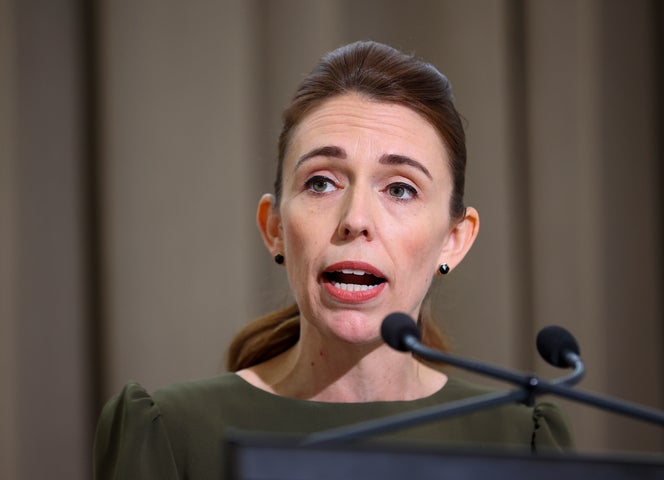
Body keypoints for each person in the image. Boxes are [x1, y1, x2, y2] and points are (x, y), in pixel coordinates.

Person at [93, 40, 573, 479]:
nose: (356, 219)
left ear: (453, 240)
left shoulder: (521, 442)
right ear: (275, 227)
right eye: (322, 182)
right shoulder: (170, 433)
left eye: (400, 189)